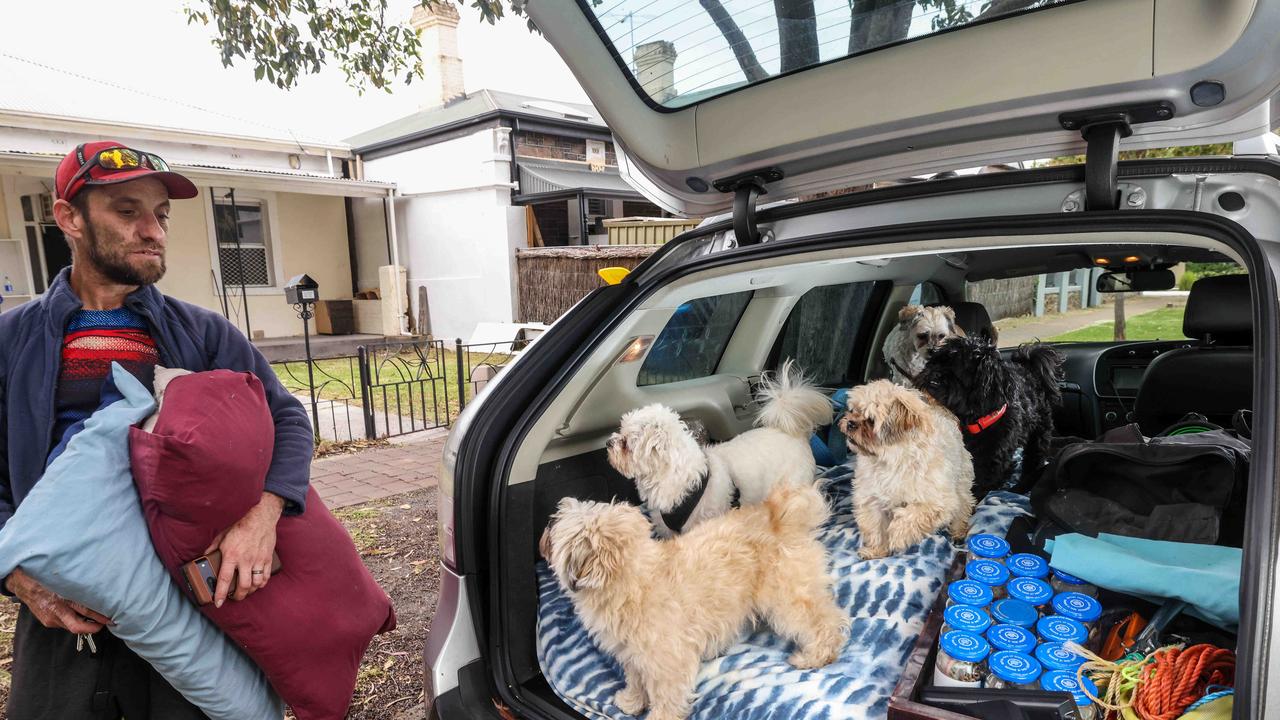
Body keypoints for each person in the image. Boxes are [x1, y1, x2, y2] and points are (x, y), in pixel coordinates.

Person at [0, 141, 314, 719]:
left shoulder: (203, 335)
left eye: (161, 215)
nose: (153, 230)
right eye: (127, 211)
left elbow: (288, 418)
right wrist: (20, 578)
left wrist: (262, 516)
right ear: (68, 217)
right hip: (60, 622)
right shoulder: (11, 342)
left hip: (187, 606)